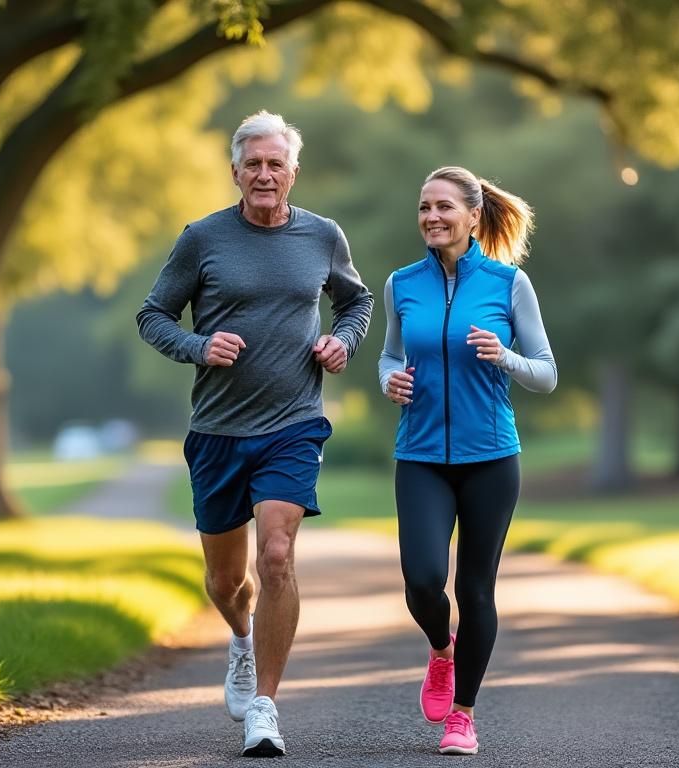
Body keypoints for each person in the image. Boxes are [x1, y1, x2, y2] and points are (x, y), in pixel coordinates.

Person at [137, 110, 374, 758]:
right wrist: (196, 345)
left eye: (276, 164)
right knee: (224, 581)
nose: (264, 174)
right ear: (236, 171)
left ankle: (264, 708)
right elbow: (153, 314)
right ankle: (240, 642)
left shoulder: (323, 236)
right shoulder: (202, 239)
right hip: (216, 429)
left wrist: (341, 341)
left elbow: (356, 301)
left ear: (293, 171)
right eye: (253, 164)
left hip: (292, 423)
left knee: (276, 555)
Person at [379, 166, 557, 755]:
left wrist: (504, 356)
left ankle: (463, 715)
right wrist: (389, 382)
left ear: (473, 215)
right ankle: (440, 650)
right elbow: (388, 356)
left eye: (444, 207)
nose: (432, 217)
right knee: (423, 580)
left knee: (476, 590)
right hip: (421, 455)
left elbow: (547, 374)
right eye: (425, 206)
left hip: (491, 458)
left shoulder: (509, 284)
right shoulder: (401, 284)